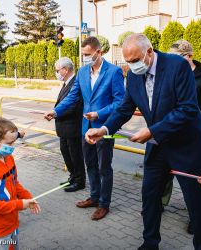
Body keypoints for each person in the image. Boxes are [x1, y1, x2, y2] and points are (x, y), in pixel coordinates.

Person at [84, 34, 201, 250]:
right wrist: (104, 129)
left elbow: (188, 108)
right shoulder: (132, 75)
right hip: (158, 148)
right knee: (149, 197)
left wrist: (151, 130)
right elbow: (124, 108)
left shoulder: (177, 66)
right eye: (128, 62)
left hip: (187, 146)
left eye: (135, 60)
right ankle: (150, 243)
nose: (131, 66)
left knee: (196, 204)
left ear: (149, 52)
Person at [44, 36, 124, 220]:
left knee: (104, 167)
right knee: (90, 165)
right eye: (83, 55)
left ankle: (104, 204)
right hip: (85, 128)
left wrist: (99, 113)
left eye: (88, 55)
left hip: (103, 128)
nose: (85, 58)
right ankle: (94, 197)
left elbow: (120, 102)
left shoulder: (114, 72)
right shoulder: (82, 72)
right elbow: (72, 96)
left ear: (99, 52)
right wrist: (55, 111)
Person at [161, 40, 201, 234]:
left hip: (196, 137)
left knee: (193, 183)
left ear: (189, 56)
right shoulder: (173, 75)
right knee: (163, 176)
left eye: (176, 58)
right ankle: (159, 205)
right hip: (172, 134)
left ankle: (196, 218)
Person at [0, 117, 40, 250]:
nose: (12, 147)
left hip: (12, 221)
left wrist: (27, 197)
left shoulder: (8, 158)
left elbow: (14, 182)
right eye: (10, 143)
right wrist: (20, 204)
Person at [54, 57, 85, 192]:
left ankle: (79, 181)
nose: (56, 73)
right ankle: (73, 177)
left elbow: (73, 107)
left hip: (72, 127)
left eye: (57, 70)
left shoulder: (75, 83)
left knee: (75, 155)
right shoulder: (67, 83)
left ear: (65, 70)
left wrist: (55, 113)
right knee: (66, 152)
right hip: (64, 127)